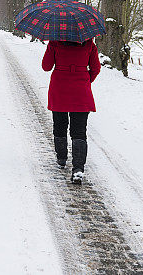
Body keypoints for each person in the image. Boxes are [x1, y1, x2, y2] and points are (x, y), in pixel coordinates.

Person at [42, 38, 100, 184]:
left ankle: (61, 158)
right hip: (81, 90)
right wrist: (85, 79)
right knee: (79, 131)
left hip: (59, 88)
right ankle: (78, 168)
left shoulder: (55, 42)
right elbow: (96, 68)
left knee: (59, 125)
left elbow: (46, 66)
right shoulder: (89, 44)